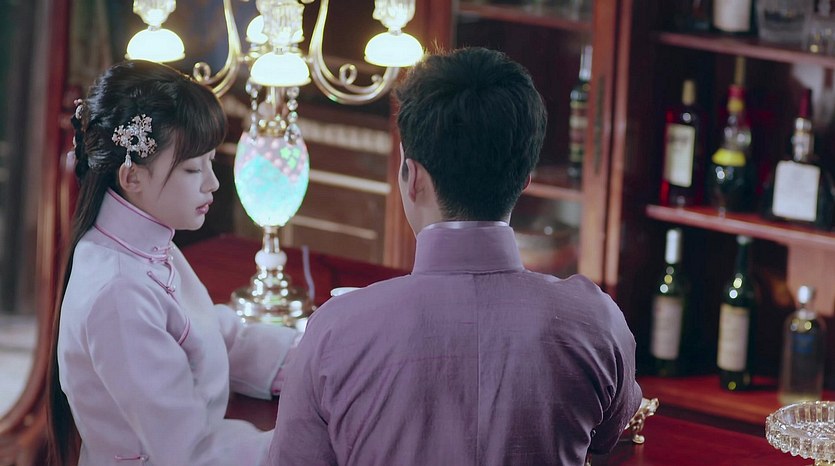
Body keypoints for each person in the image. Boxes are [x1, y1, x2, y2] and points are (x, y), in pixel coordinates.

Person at [267, 47, 643, 466]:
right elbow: (609, 435)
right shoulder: (596, 323)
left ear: (414, 177)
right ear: (524, 180)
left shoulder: (335, 331)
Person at [46, 60, 300, 466]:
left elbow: (210, 336)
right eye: (192, 168)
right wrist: (304, 442)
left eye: (210, 162)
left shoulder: (146, 245)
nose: (212, 182)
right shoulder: (118, 292)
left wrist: (310, 359)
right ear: (132, 177)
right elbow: (188, 450)